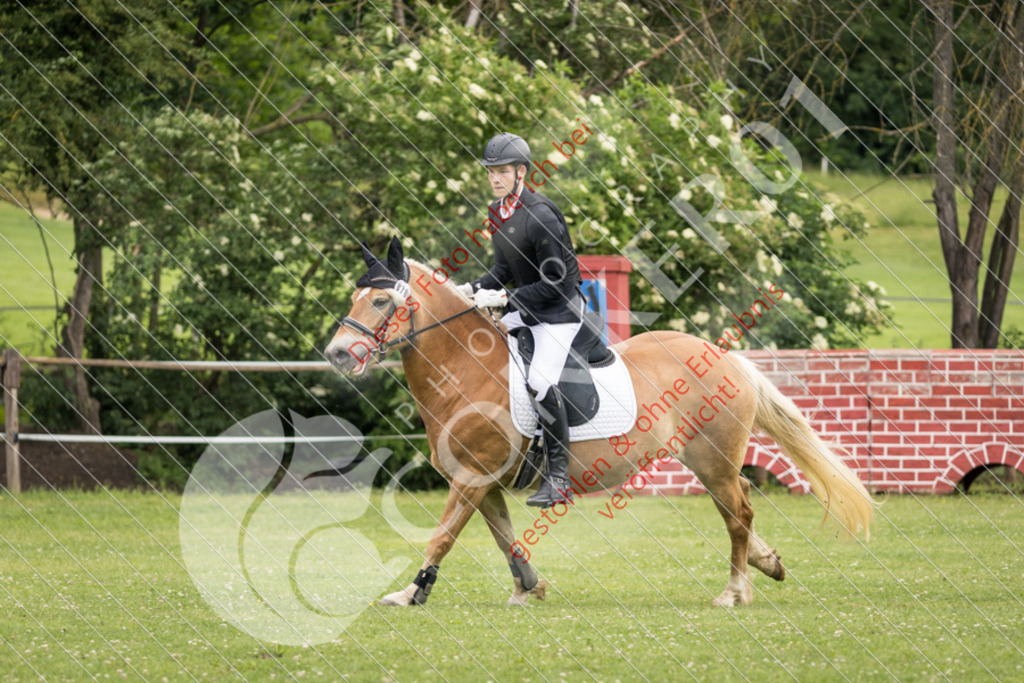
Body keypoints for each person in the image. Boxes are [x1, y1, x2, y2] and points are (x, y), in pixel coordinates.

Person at [456, 132, 585, 508]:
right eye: (490, 172)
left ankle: (559, 477)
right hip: (528, 311)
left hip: (559, 315)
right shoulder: (499, 212)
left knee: (540, 381)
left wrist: (505, 298)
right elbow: (502, 268)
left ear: (521, 173)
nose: (495, 179)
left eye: (502, 172)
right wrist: (470, 289)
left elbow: (558, 283)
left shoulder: (541, 215)